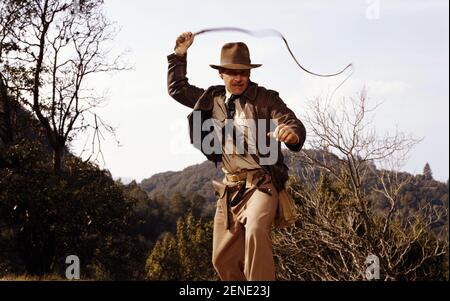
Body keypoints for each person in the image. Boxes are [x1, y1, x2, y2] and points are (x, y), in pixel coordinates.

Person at [167, 32, 306, 281]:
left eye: (244, 72)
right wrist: (179, 55)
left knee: (255, 230)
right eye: (233, 72)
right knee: (222, 260)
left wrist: (291, 134)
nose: (239, 78)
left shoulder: (265, 99)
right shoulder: (212, 99)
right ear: (221, 73)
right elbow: (178, 89)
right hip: (230, 188)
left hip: (261, 184)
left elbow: (291, 122)